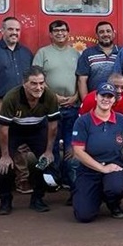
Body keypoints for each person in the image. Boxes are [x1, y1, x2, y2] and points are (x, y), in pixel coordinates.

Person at [0, 67, 60, 215]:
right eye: (33, 83)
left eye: (41, 83)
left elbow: (53, 125)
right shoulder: (11, 97)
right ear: (24, 83)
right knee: (5, 166)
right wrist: (5, 155)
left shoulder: (50, 96)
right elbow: (3, 128)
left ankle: (37, 198)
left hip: (38, 130)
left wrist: (48, 151)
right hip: (14, 131)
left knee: (45, 165)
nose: (38, 87)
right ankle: (5, 201)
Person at [0, 17, 35, 194]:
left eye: (17, 30)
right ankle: (3, 184)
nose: (14, 33)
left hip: (22, 103)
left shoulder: (27, 53)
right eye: (10, 29)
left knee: (20, 144)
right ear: (2, 31)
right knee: (0, 145)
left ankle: (23, 180)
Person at [71, 82, 123, 222]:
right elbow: (78, 152)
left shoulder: (122, 120)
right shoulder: (83, 122)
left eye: (110, 96)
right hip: (89, 170)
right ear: (96, 97)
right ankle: (96, 196)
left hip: (115, 166)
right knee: (84, 216)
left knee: (116, 187)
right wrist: (102, 168)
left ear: (114, 100)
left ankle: (113, 203)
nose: (106, 99)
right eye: (103, 95)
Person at [33, 20, 80, 187]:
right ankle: (53, 179)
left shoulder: (76, 53)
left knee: (71, 146)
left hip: (72, 107)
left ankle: (69, 179)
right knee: (50, 145)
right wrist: (53, 96)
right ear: (50, 34)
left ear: (68, 33)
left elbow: (80, 79)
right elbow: (36, 79)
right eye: (56, 31)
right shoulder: (43, 53)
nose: (60, 33)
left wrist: (76, 96)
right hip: (50, 108)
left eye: (63, 30)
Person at [76, 21, 119, 100]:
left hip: (116, 100)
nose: (105, 34)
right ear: (97, 35)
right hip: (95, 100)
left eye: (108, 31)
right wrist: (86, 102)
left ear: (113, 34)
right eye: (101, 32)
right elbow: (82, 80)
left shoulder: (122, 52)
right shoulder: (88, 53)